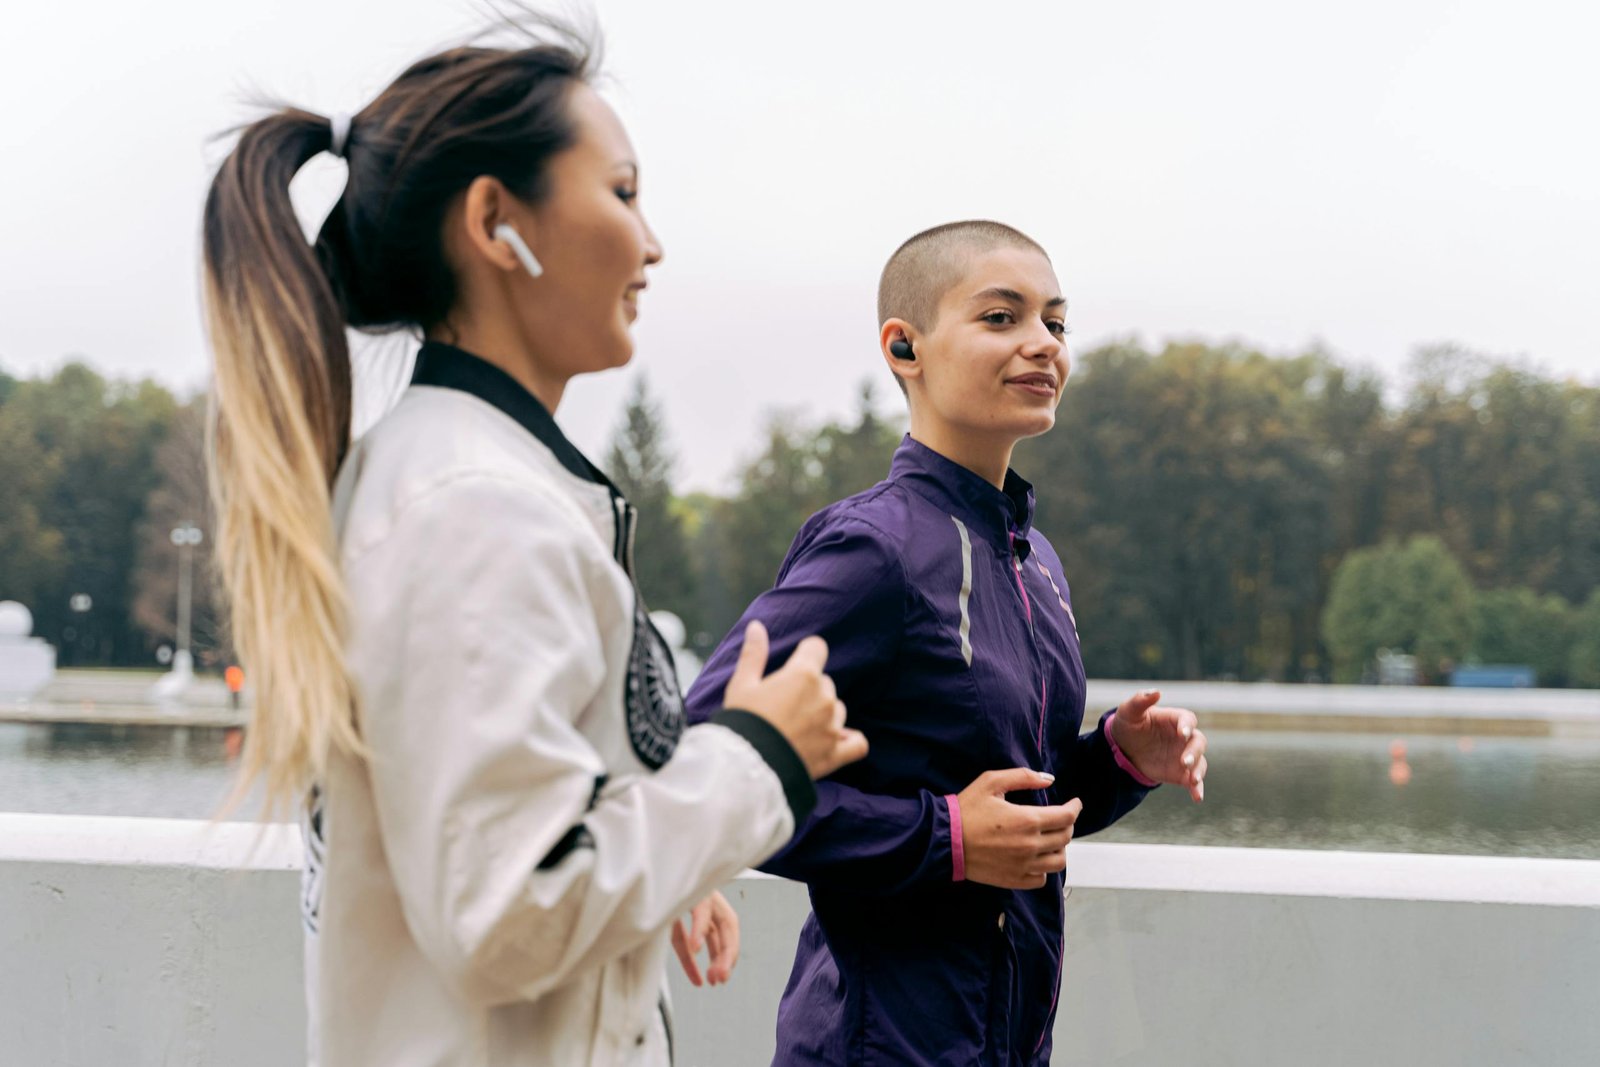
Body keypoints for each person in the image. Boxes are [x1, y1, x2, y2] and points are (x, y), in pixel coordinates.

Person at [201, 19, 866, 1067]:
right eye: (623, 192)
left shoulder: (458, 481)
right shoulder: (475, 508)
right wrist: (757, 759)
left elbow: (511, 828)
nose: (652, 244)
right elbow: (506, 912)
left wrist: (667, 866)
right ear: (495, 221)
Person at [685, 221, 1209, 1065]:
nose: (1043, 345)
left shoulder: (1034, 561)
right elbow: (705, 768)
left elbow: (1011, 805)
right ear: (905, 347)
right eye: (1002, 317)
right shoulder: (874, 549)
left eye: (1056, 323)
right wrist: (946, 838)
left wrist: (1116, 761)